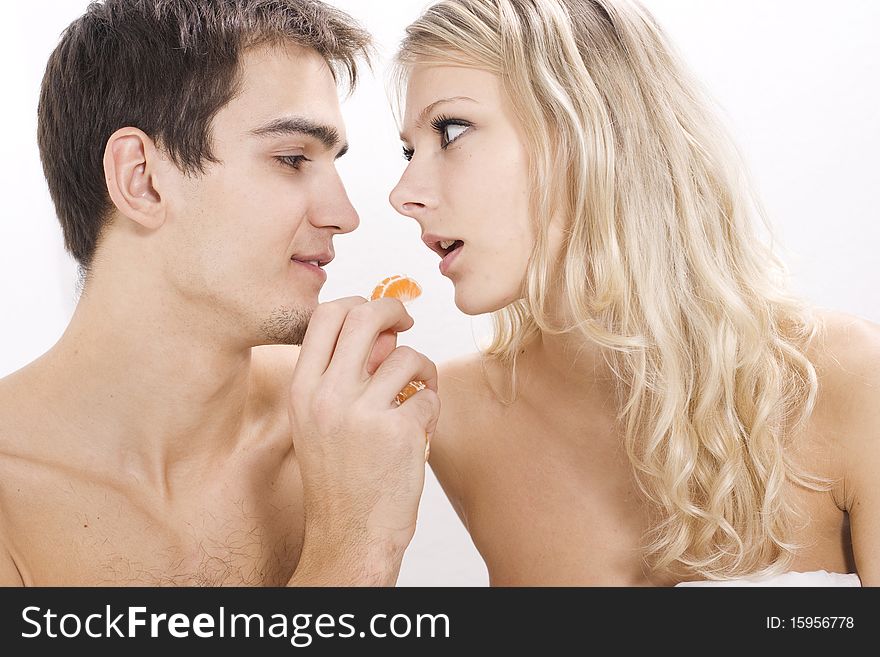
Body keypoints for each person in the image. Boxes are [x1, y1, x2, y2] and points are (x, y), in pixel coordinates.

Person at [389, 0, 879, 585]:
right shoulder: (447, 414)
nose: (404, 192)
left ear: (589, 128)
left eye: (451, 130)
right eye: (408, 151)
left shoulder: (845, 382)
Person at [0, 0, 440, 586]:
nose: (345, 215)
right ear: (143, 179)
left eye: (331, 163)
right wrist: (357, 542)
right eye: (291, 158)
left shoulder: (355, 421)